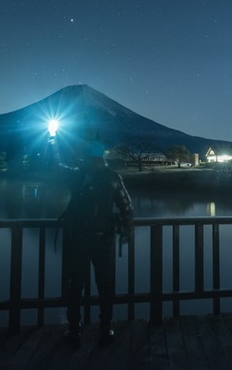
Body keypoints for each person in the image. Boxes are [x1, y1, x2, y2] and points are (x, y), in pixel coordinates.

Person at [59, 141, 133, 348]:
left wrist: (54, 143)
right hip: (104, 239)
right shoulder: (113, 177)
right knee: (105, 285)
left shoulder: (78, 175)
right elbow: (126, 206)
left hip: (79, 239)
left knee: (76, 286)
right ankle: (106, 328)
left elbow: (60, 169)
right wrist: (126, 227)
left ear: (86, 156)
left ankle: (74, 329)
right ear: (103, 156)